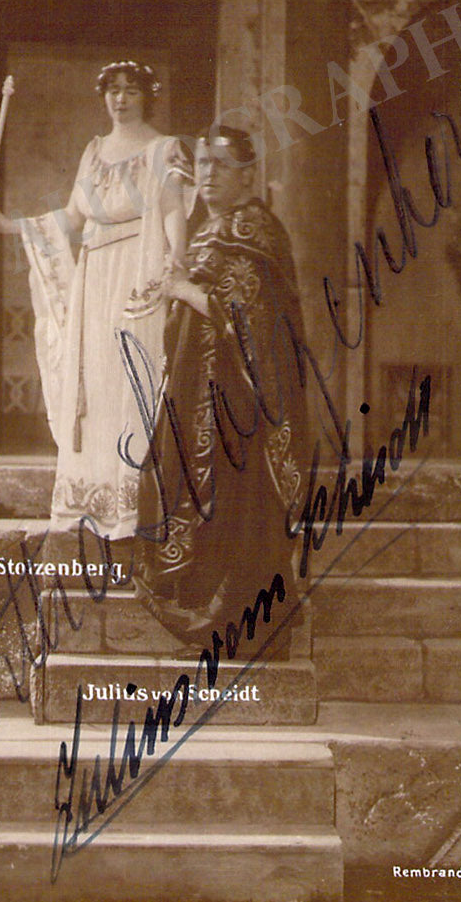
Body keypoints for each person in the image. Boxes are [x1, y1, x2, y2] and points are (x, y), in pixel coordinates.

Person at [0, 61, 191, 538]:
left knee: (131, 379)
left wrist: (175, 262)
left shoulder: (164, 149)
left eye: (131, 90)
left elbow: (172, 210)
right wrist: (11, 226)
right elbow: (74, 218)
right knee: (95, 380)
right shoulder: (94, 151)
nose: (120, 99)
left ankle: (130, 506)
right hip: (95, 277)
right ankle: (90, 500)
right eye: (113, 90)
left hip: (137, 273)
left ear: (147, 96)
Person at [132, 124, 308, 654]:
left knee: (238, 508)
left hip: (239, 404)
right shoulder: (214, 229)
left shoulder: (251, 229)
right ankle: (217, 618)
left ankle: (240, 625)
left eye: (221, 165)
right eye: (203, 164)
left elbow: (245, 316)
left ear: (248, 175)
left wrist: (182, 289)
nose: (207, 174)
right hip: (202, 394)